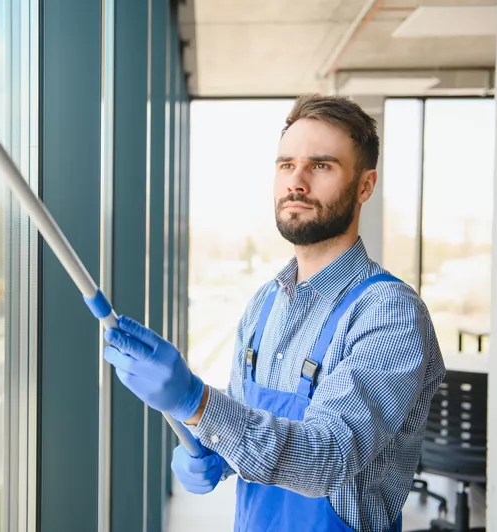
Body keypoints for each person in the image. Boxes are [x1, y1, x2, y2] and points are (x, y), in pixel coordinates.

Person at [103, 94, 445, 532]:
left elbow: (327, 456)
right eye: (286, 165)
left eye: (321, 166)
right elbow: (248, 426)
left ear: (365, 185)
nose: (296, 182)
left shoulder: (389, 314)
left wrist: (197, 403)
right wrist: (210, 452)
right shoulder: (265, 305)